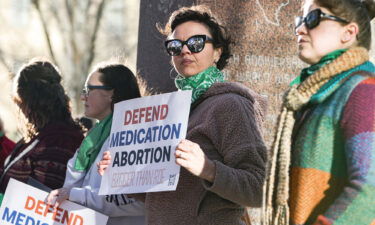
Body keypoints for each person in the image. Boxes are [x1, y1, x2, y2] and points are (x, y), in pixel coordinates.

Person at [98, 5, 267, 225]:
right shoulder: (172, 110)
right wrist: (120, 175)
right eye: (175, 46)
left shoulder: (231, 105)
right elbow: (161, 195)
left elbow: (259, 188)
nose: (185, 51)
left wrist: (207, 169)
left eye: (196, 43)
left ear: (217, 51)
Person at [262, 0, 375, 224]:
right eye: (300, 21)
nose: (300, 29)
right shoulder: (311, 96)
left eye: (314, 19)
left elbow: (370, 189)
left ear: (349, 32)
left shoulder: (363, 90)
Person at [47, 63, 145, 225]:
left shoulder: (136, 135)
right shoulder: (93, 137)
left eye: (89, 89)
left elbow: (138, 202)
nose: (83, 97)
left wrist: (75, 195)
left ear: (111, 94)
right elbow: (72, 187)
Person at [0, 60, 84, 201]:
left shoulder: (59, 141)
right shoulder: (42, 137)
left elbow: (40, 203)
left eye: (20, 103)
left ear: (31, 102)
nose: (22, 111)